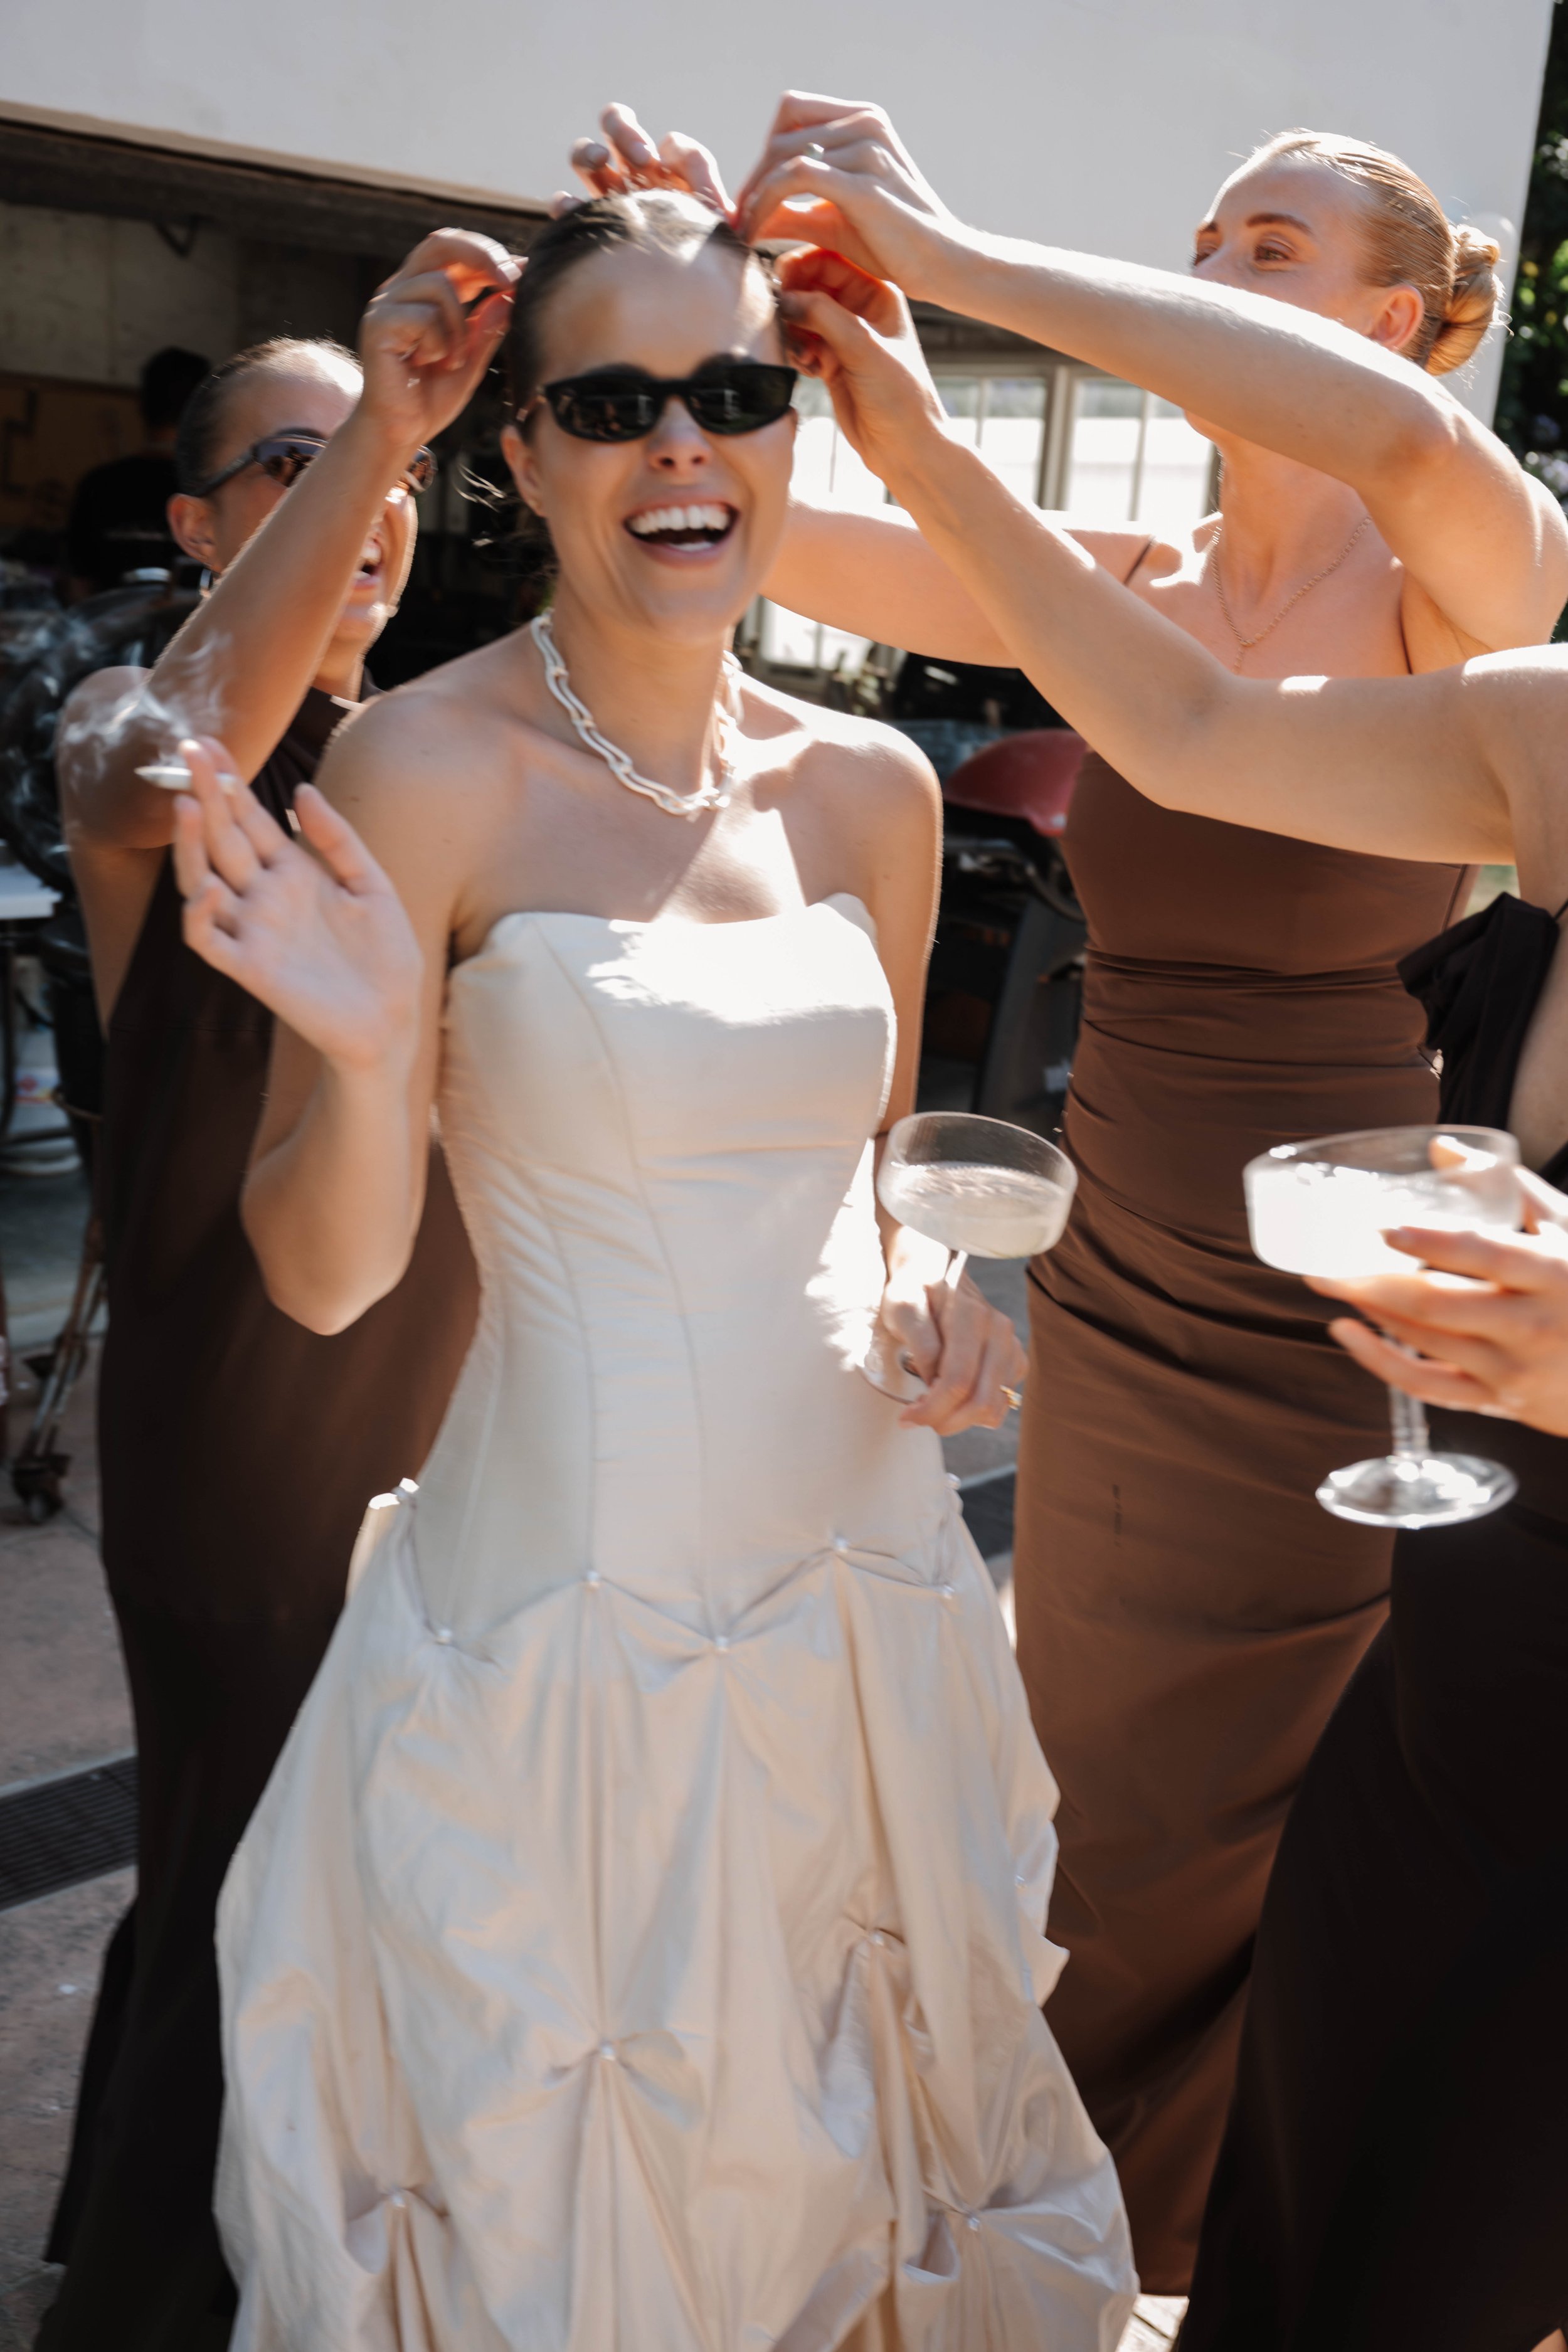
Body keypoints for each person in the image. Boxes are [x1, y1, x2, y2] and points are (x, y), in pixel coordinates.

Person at [569, 96, 1568, 2287]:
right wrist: (686, 291)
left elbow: (1402, 449)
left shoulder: (1465, 583)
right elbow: (775, 517)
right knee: (1097, 1789)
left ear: (1401, 319)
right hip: (1121, 1277)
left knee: (1302, 1809)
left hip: (1358, 1291)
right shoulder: (1121, 595)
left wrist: (958, 249)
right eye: (1207, 227)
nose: (1219, 259)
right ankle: (1079, 2226)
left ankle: (1254, 2237)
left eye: (1275, 244)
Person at [175, 189, 1136, 2349]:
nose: (683, 446)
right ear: (519, 456)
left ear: (795, 432)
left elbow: (871, 1164)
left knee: (874, 2166)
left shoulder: (877, 788)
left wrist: (933, 1294)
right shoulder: (420, 765)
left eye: (734, 393)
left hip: (866, 1609)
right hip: (564, 1648)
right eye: (614, 403)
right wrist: (357, 1052)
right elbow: (332, 1282)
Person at [42, 233, 514, 2351]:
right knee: (254, 1853)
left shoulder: (447, 763)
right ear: (205, 520)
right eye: (307, 465)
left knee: (354, 1865)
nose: (368, 511)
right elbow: (186, 750)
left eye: (394, 485)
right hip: (235, 1422)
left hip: (439, 1404)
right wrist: (397, 422)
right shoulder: (133, 736)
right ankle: (157, 2291)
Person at [66, 346, 211, 598]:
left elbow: (79, 587)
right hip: (201, 636)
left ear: (142, 405)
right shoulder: (216, 490)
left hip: (111, 634)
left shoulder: (99, 485)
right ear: (207, 412)